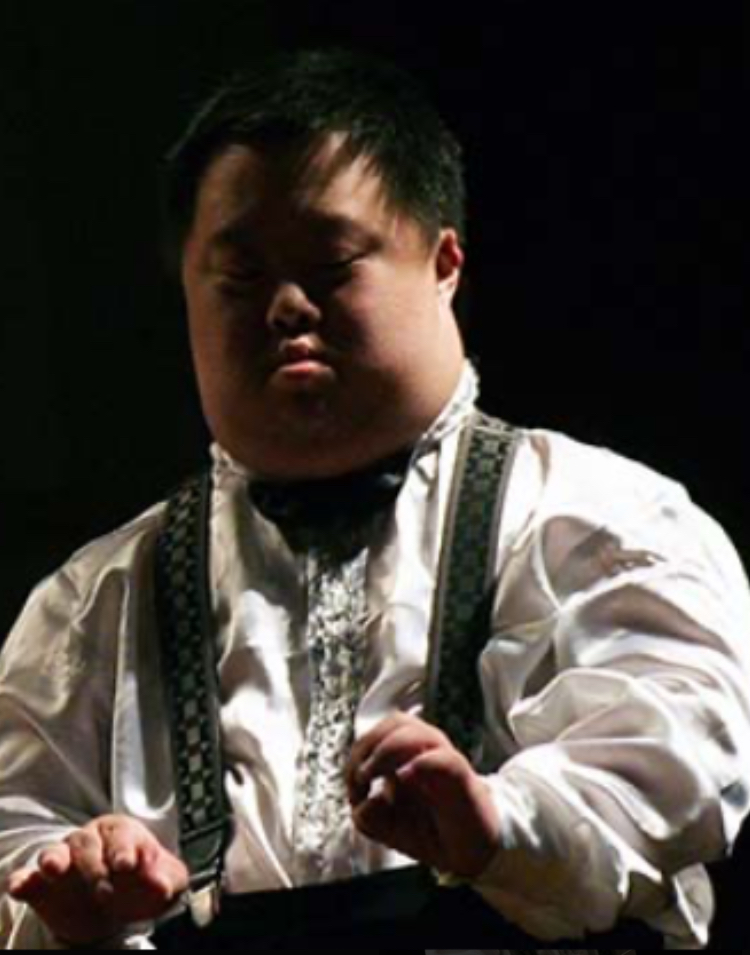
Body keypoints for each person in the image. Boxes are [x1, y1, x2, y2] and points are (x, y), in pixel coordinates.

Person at [1, 47, 749, 951]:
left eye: (330, 263)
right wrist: (69, 897)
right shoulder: (92, 605)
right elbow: (15, 823)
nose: (285, 306)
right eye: (240, 280)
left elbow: (683, 751)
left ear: (444, 263)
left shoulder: (597, 520)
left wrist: (498, 822)